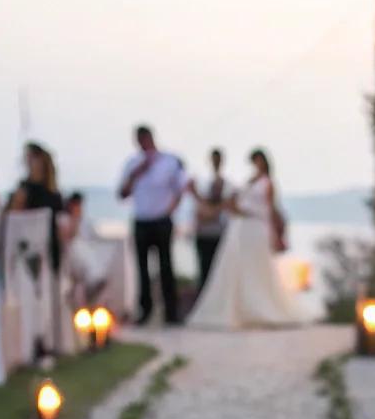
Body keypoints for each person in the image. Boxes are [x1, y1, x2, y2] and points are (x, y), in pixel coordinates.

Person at [186, 148, 300, 330]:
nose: (256, 164)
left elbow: (271, 208)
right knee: (241, 268)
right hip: (242, 228)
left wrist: (277, 234)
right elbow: (232, 201)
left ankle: (260, 307)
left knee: (258, 268)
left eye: (258, 160)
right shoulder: (249, 181)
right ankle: (243, 308)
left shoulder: (267, 182)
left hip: (256, 226)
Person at [117, 125, 187, 325]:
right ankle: (145, 310)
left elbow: (180, 189)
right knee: (142, 268)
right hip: (141, 220)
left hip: (162, 220)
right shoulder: (132, 163)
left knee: (166, 266)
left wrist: (170, 210)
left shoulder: (169, 161)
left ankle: (171, 313)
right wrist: (135, 174)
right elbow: (122, 193)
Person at [8, 141, 64, 271]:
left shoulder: (25, 191)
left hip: (28, 254)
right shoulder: (53, 193)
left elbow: (12, 221)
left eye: (27, 157)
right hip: (45, 255)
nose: (24, 162)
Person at [189, 147, 231, 290]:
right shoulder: (203, 182)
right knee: (204, 269)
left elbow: (218, 207)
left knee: (217, 270)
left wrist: (209, 212)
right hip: (203, 232)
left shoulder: (225, 183)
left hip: (217, 232)